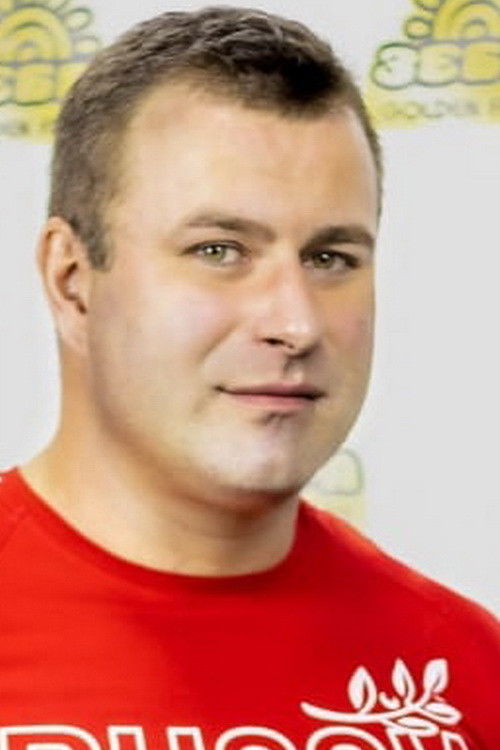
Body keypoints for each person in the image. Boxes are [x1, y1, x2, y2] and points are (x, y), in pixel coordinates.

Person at [0, 6, 498, 749]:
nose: (295, 324)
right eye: (219, 251)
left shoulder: (466, 672)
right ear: (72, 281)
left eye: (330, 259)